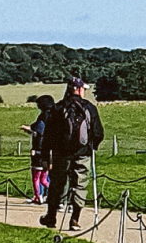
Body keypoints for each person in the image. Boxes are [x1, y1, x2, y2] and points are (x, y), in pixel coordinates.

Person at [41, 78, 102, 231]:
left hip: (60, 154)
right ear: (80, 90)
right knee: (80, 185)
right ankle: (75, 219)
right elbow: (98, 132)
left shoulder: (57, 108)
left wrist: (45, 156)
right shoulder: (89, 108)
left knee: (57, 184)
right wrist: (92, 146)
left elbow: (48, 135)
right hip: (83, 153)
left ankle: (51, 216)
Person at [19, 95, 54, 204]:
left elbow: (38, 132)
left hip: (39, 151)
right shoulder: (53, 116)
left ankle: (38, 196)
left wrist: (28, 129)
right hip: (49, 152)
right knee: (44, 177)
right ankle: (53, 195)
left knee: (36, 177)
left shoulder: (43, 119)